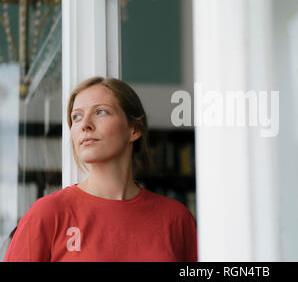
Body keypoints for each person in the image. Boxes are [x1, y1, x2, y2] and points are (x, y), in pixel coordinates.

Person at [4, 76, 198, 262]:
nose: (85, 125)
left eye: (100, 112)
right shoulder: (47, 213)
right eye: (76, 117)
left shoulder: (176, 219)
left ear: (134, 130)